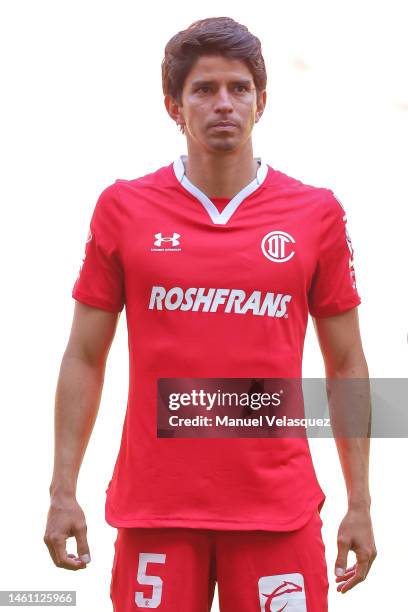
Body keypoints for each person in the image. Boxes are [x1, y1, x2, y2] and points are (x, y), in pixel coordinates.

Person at [44, 16, 377, 612]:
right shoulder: (123, 208)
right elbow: (84, 355)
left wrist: (360, 502)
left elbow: (346, 362)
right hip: (157, 510)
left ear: (262, 101)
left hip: (278, 512)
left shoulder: (316, 214)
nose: (224, 103)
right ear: (174, 105)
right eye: (203, 89)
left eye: (239, 88)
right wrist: (62, 490)